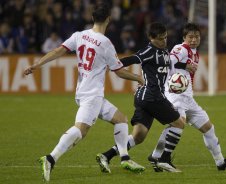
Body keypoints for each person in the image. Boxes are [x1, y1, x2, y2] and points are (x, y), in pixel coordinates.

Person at [24, 2, 145, 182]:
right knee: (81, 130)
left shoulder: (79, 35)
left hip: (82, 91)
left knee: (120, 119)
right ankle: (50, 158)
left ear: (92, 18)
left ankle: (125, 158)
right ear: (109, 20)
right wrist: (139, 78)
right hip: (92, 95)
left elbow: (58, 51)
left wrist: (37, 64)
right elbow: (118, 71)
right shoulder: (105, 43)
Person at [149, 22, 226, 171]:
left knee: (208, 127)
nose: (193, 40)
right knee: (177, 124)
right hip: (176, 95)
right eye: (190, 37)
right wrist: (184, 66)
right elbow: (169, 61)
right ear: (184, 37)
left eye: (196, 37)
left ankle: (220, 162)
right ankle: (160, 156)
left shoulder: (194, 52)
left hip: (188, 98)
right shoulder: (181, 48)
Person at [96, 22, 186, 173]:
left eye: (165, 37)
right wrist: (111, 64)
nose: (164, 41)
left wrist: (184, 67)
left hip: (145, 97)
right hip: (152, 97)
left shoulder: (164, 51)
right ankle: (163, 159)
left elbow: (168, 65)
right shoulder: (149, 51)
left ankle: (106, 155)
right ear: (151, 38)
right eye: (161, 39)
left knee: (139, 136)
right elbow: (131, 59)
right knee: (179, 123)